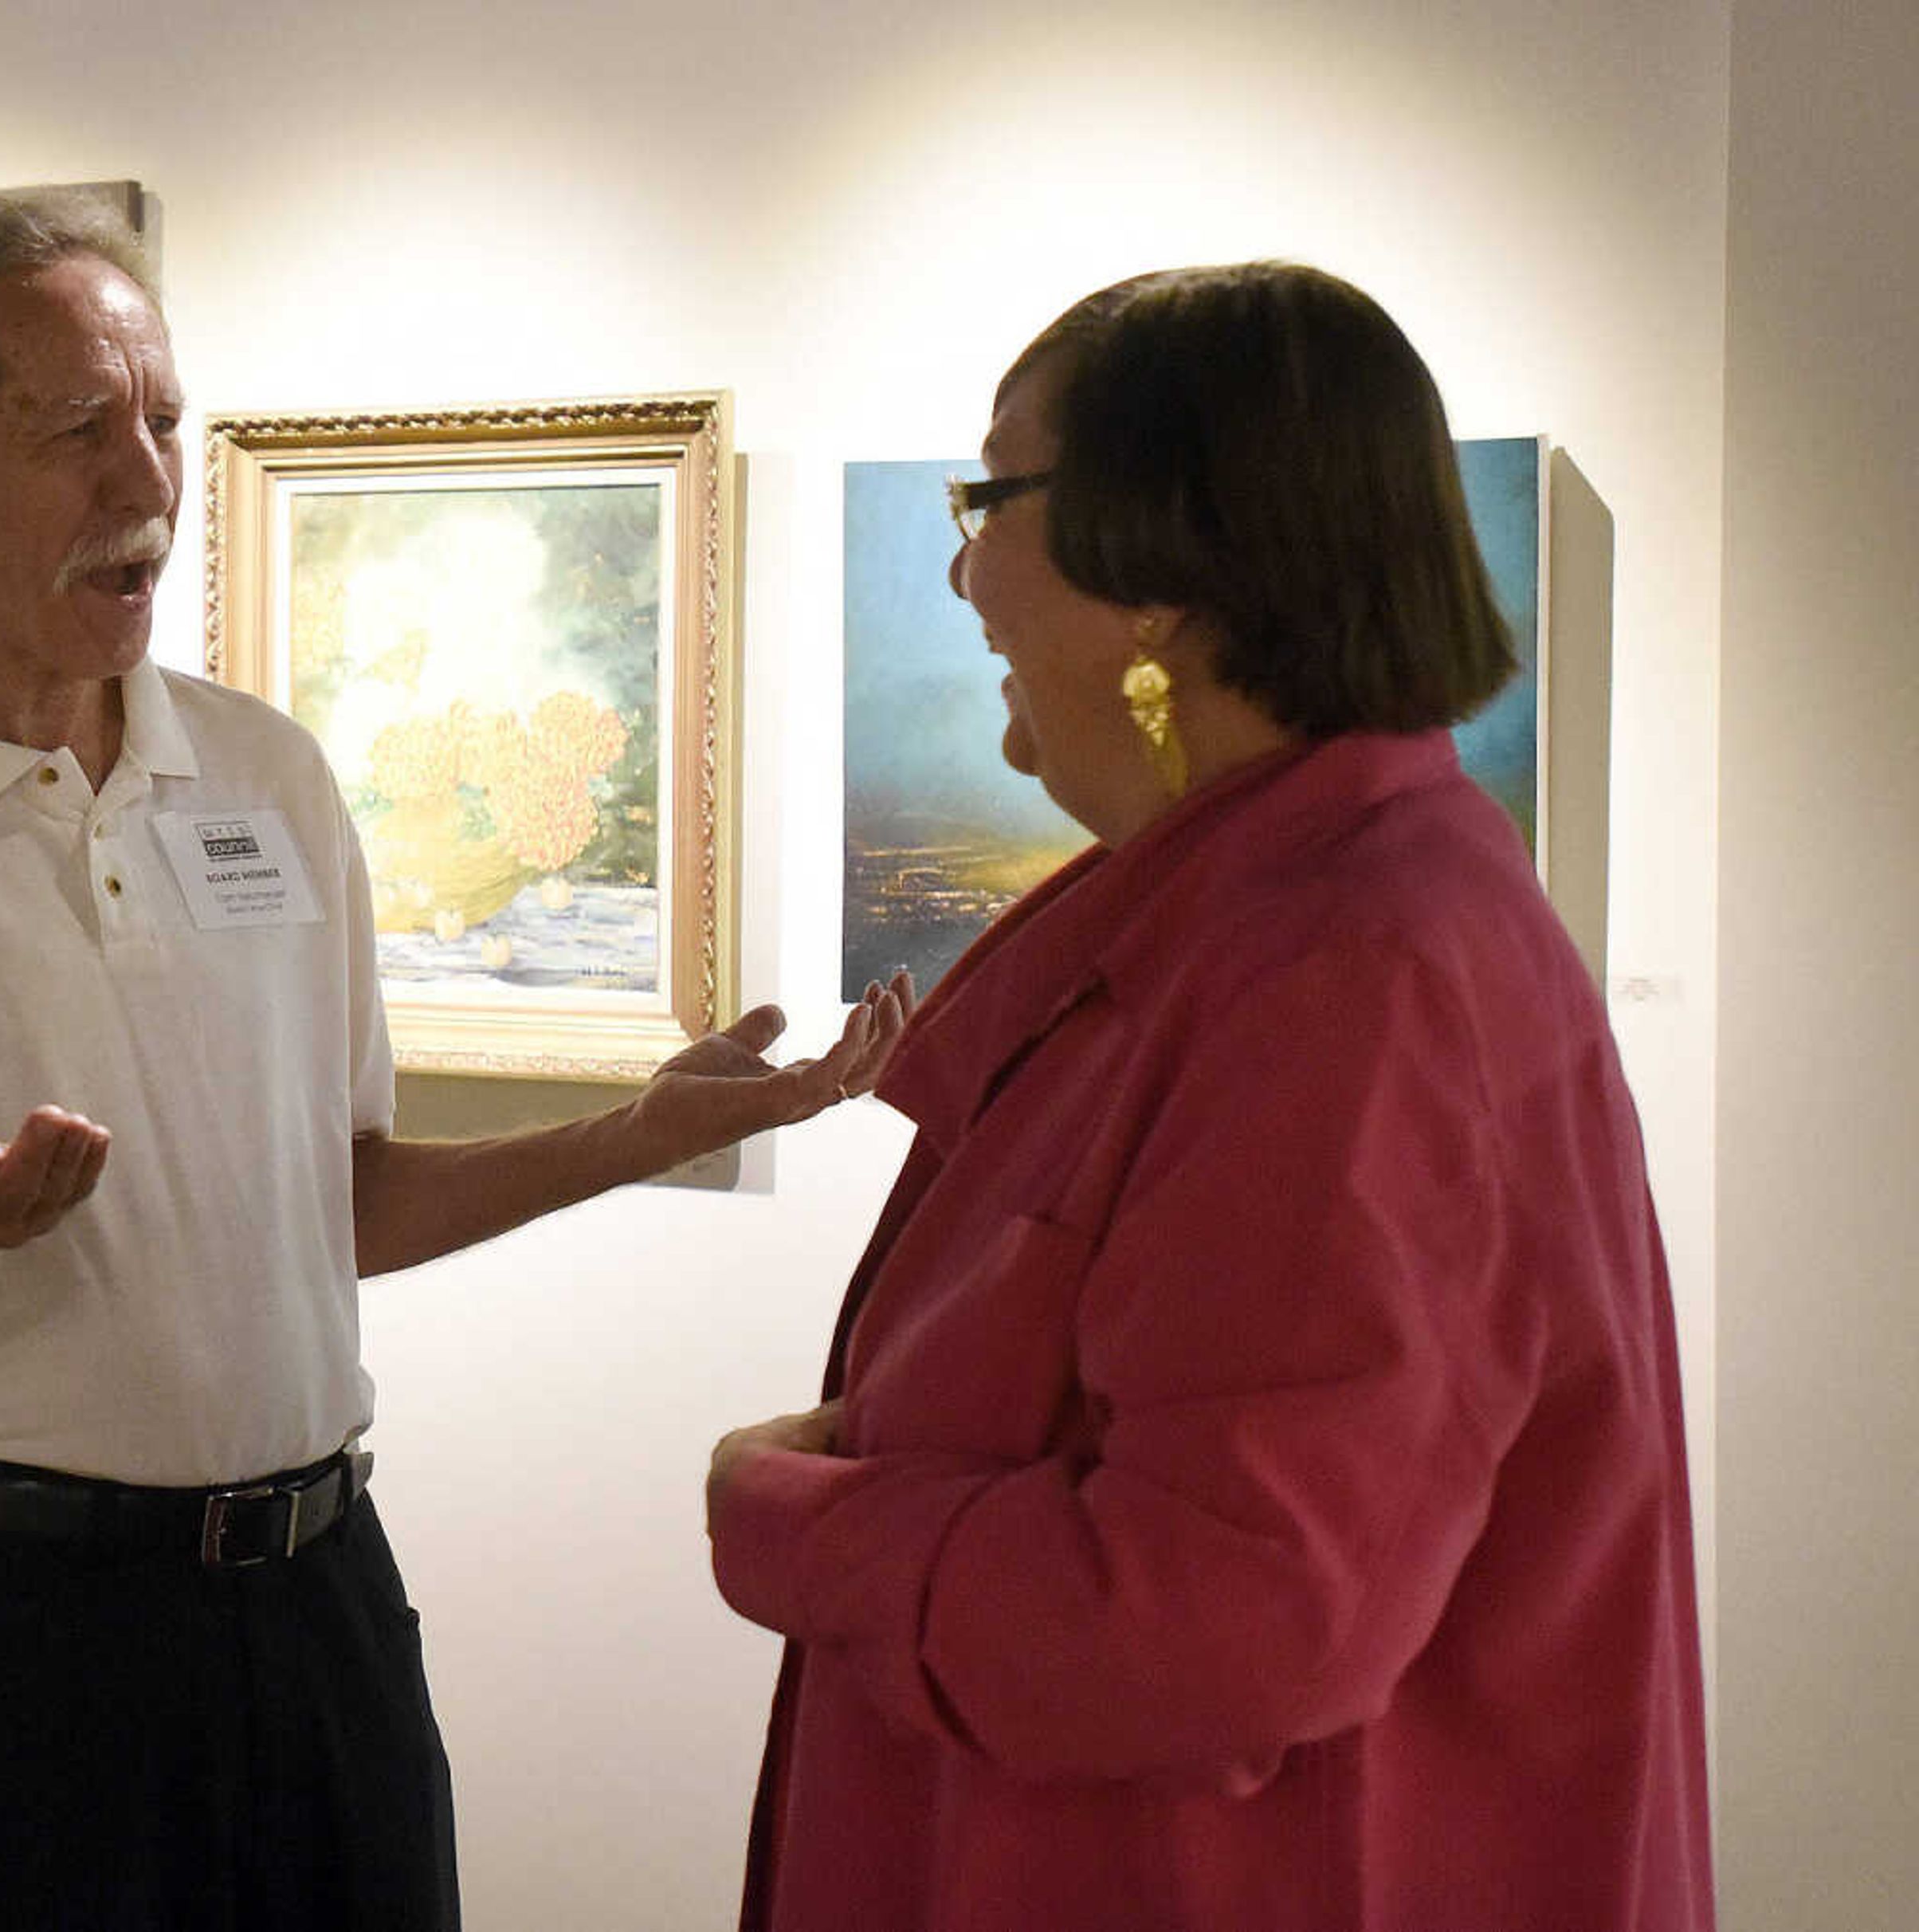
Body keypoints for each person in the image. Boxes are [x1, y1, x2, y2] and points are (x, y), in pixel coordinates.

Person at [0, 190, 903, 1932]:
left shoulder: (267, 777)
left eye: (160, 419)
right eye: (77, 430)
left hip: (318, 1602)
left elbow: (341, 1203)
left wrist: (633, 1133)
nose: (144, 482)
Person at [706, 262, 1713, 1932]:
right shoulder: (1277, 915)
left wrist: (792, 1522)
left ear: (1162, 567)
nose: (962, 569)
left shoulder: (1354, 969)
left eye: (993, 497)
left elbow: (1220, 1616)